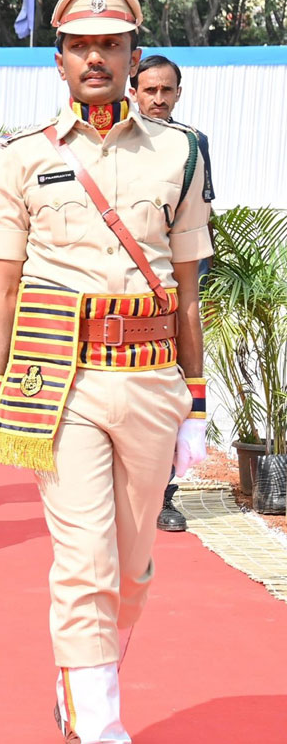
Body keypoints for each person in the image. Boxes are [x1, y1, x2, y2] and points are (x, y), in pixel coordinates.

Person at [0, 0, 210, 739]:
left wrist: (197, 404)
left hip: (149, 377)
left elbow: (187, 289)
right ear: (59, 60)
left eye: (112, 45)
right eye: (81, 45)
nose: (96, 58)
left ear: (134, 56)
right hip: (61, 382)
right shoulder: (22, 155)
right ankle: (99, 725)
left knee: (134, 571)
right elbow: (5, 283)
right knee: (84, 565)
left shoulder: (179, 151)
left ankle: (85, 682)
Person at [131, 52, 217, 534]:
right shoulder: (114, 143)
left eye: (167, 90)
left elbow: (198, 218)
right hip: (122, 293)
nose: (158, 99)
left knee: (174, 385)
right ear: (134, 92)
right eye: (150, 90)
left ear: (178, 93)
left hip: (172, 287)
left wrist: (195, 282)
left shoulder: (192, 144)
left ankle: (166, 494)